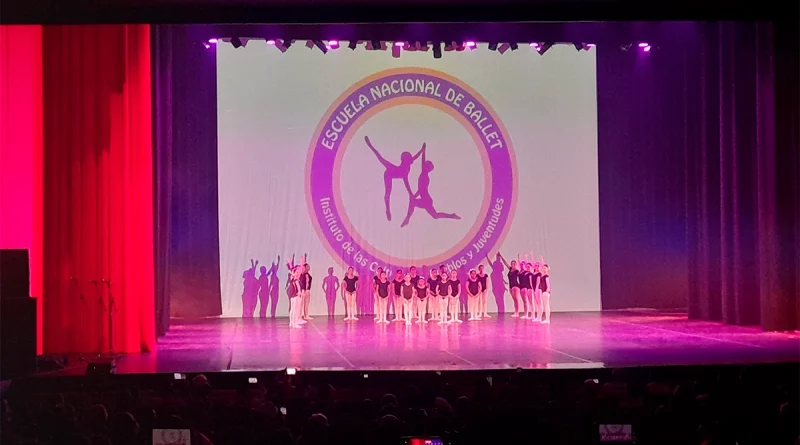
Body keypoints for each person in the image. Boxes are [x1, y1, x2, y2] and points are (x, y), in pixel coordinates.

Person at [497, 252, 521, 317]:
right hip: (511, 286)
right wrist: (501, 256)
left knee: (516, 299)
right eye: (512, 264)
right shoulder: (510, 269)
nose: (513, 265)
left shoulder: (517, 271)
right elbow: (505, 263)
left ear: (516, 265)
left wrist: (519, 259)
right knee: (514, 300)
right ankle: (515, 311)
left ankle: (517, 313)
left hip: (516, 286)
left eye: (514, 264)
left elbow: (521, 276)